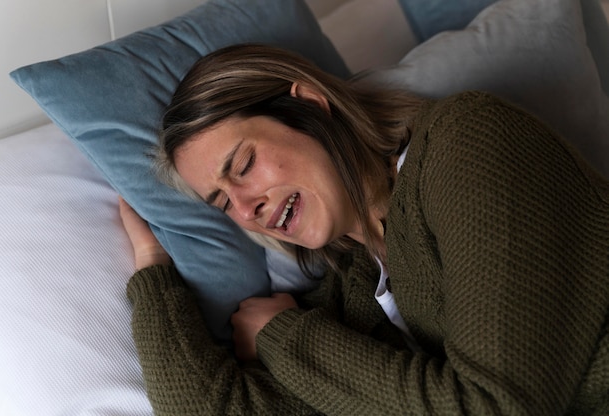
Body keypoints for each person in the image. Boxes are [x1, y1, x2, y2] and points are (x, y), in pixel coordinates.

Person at [120, 44, 609, 415]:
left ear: (310, 105)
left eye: (244, 165)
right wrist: (154, 271)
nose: (247, 209)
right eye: (223, 202)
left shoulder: (465, 141)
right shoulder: (350, 292)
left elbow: (497, 406)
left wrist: (279, 335)